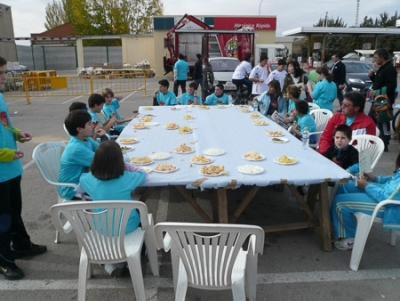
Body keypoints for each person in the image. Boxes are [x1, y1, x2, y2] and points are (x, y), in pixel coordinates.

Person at [0, 56, 47, 280]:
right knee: (3, 219)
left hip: (11, 170)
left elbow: (5, 125)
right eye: (0, 74)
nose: (5, 77)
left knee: (14, 213)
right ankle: (4, 261)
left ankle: (21, 244)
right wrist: (7, 153)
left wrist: (17, 133)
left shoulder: (0, 97)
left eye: (5, 72)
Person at [79, 140, 147, 276]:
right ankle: (137, 254)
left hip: (101, 227)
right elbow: (142, 174)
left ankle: (109, 263)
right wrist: (127, 166)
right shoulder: (127, 178)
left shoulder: (87, 180)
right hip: (128, 226)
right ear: (120, 162)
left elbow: (82, 179)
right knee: (141, 214)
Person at [331, 138, 400, 250]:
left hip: (390, 207)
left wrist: (366, 185)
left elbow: (387, 197)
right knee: (345, 185)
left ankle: (351, 237)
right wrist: (374, 178)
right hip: (384, 195)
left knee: (340, 202)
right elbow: (393, 179)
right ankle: (342, 225)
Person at [58, 110, 101, 200]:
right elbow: (102, 161)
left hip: (84, 182)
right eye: (89, 124)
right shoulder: (76, 148)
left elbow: (102, 150)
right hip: (73, 190)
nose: (93, 126)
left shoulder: (85, 139)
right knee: (109, 195)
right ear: (79, 129)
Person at [368, 48, 398, 152]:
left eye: (376, 57)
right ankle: (371, 141)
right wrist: (372, 77)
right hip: (376, 100)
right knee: (370, 120)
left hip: (383, 101)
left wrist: (377, 92)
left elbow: (391, 86)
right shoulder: (382, 68)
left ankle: (385, 143)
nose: (375, 59)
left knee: (383, 121)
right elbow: (379, 82)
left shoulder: (390, 69)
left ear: (382, 57)